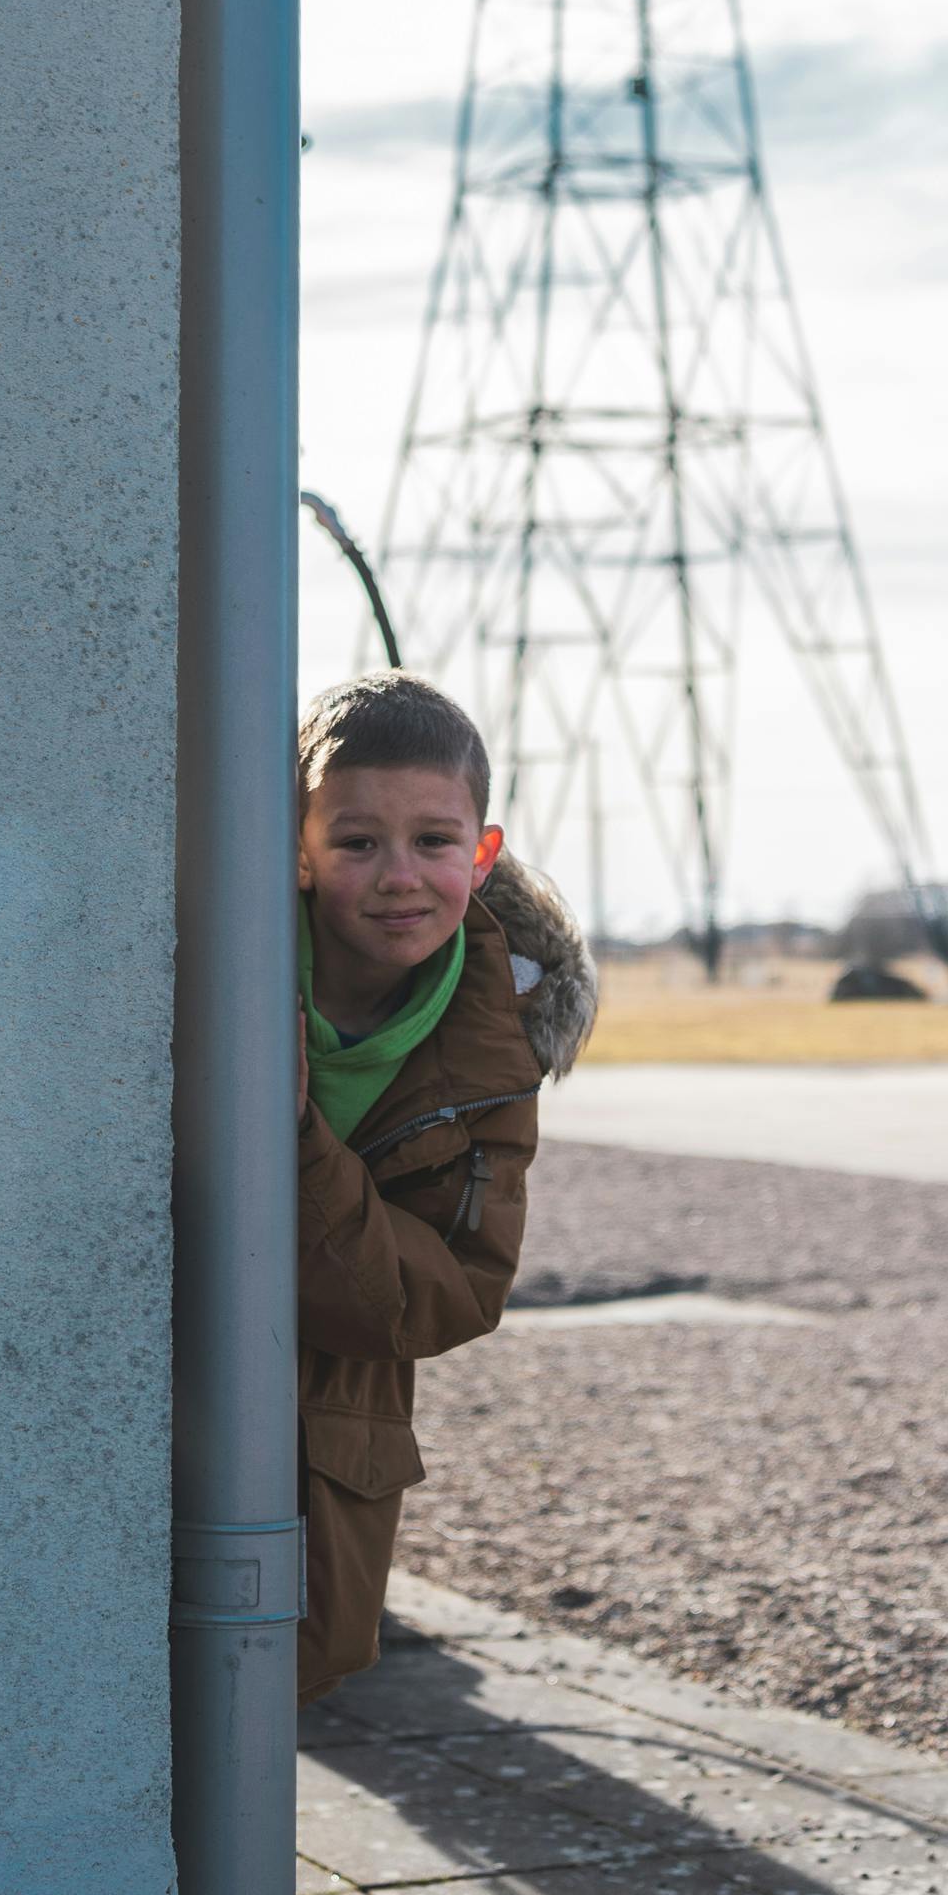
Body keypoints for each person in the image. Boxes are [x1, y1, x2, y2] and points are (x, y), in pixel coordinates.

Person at [295, 669, 597, 1702]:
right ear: (295, 847)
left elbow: (449, 1294)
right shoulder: (190, 977)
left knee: (267, 1688)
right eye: (355, 842)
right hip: (142, 1418)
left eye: (432, 842)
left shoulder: (491, 1051)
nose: (397, 877)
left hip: (319, 1453)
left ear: (481, 853)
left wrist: (290, 1138)